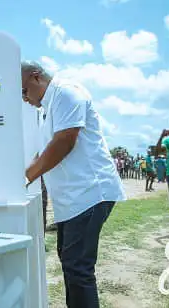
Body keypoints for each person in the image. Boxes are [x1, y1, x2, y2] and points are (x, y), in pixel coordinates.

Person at [21, 62, 126, 308]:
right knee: (70, 264)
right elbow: (44, 151)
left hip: (90, 193)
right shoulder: (46, 108)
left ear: (36, 78)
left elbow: (64, 141)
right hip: (71, 200)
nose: (23, 98)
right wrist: (21, 176)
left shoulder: (67, 92)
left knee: (78, 268)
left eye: (24, 91)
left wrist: (26, 178)